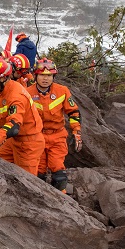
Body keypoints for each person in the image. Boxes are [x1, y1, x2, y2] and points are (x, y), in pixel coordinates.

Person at [0, 57, 45, 175]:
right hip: (15, 140)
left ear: (3, 78)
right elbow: (3, 120)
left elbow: (14, 125)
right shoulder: (4, 91)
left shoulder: (16, 96)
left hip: (29, 144)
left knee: (27, 182)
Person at [29, 58, 82, 192]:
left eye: (49, 76)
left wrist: (76, 132)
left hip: (57, 136)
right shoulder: (27, 93)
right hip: (36, 137)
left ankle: (61, 199)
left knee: (58, 171)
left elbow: (74, 112)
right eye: (42, 75)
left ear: (54, 76)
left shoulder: (62, 91)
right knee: (37, 173)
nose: (45, 79)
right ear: (36, 75)